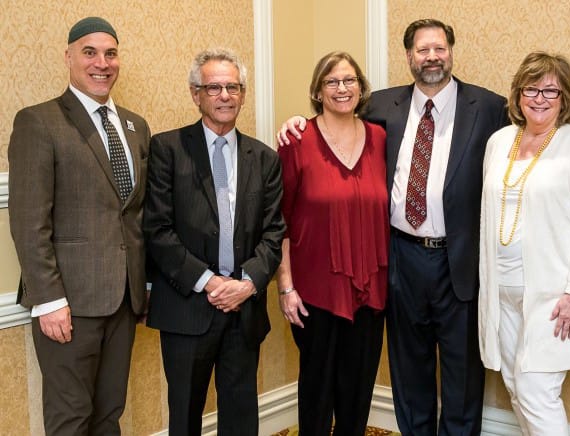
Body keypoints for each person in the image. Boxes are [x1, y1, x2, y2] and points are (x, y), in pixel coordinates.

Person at [278, 18, 508, 435]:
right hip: (400, 259)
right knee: (409, 372)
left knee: (461, 376)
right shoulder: (384, 107)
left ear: (451, 51)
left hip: (458, 262)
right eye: (423, 50)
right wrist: (295, 120)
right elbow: (330, 122)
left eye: (439, 48)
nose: (432, 57)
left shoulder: (489, 107)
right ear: (408, 57)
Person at [7, 17, 150, 435]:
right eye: (89, 52)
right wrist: (49, 300)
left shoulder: (135, 126)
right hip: (68, 304)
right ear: (68, 57)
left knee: (109, 415)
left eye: (110, 53)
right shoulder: (39, 122)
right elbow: (28, 221)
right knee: (71, 419)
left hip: (123, 302)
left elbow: (135, 215)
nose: (101, 63)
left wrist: (142, 286)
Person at [143, 48, 285, 435]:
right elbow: (157, 230)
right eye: (214, 87)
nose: (225, 95)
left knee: (241, 418)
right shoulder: (168, 150)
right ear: (196, 94)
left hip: (244, 310)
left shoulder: (265, 158)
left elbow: (275, 233)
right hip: (188, 308)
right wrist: (211, 282)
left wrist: (246, 283)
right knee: (185, 415)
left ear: (242, 93)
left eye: (233, 87)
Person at [478, 51, 570, 436]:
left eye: (550, 90)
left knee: (537, 391)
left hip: (553, 295)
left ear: (564, 98)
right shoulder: (499, 142)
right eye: (531, 89)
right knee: (517, 387)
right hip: (502, 291)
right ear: (518, 95)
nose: (539, 98)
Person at [276, 51, 388, 436]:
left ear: (361, 87)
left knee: (358, 396)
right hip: (315, 292)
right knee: (317, 394)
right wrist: (286, 287)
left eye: (349, 80)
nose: (342, 88)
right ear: (318, 91)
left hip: (370, 291)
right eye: (332, 82)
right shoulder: (296, 139)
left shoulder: (380, 138)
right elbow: (280, 221)